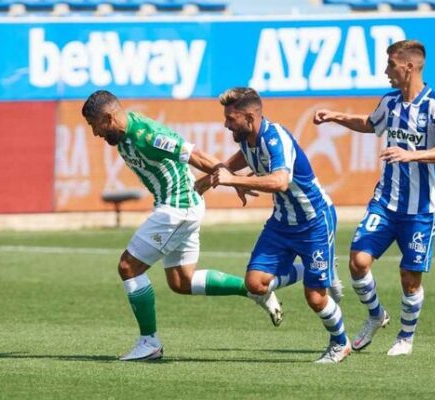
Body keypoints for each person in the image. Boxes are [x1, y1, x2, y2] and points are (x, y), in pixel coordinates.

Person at [81, 90, 283, 362]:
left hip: (178, 208)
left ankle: (149, 342)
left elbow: (195, 155)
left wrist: (233, 180)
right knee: (182, 281)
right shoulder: (123, 136)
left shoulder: (146, 134)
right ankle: (254, 291)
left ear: (107, 118)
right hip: (177, 206)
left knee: (128, 267)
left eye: (95, 126)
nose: (96, 134)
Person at [314, 39, 435, 356]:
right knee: (358, 261)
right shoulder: (390, 102)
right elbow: (370, 124)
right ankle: (376, 314)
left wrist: (413, 155)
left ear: (408, 66)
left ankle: (405, 338)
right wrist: (335, 116)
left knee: (410, 279)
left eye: (391, 64)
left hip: (421, 209)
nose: (385, 71)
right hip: (386, 202)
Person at [203, 87, 350, 364]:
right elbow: (241, 159)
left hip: (314, 221)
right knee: (255, 284)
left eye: (230, 119)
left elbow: (280, 181)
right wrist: (225, 172)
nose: (225, 124)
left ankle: (340, 343)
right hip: (281, 223)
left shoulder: (276, 137)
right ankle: (320, 269)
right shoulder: (246, 137)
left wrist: (233, 180)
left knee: (316, 298)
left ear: (250, 117)